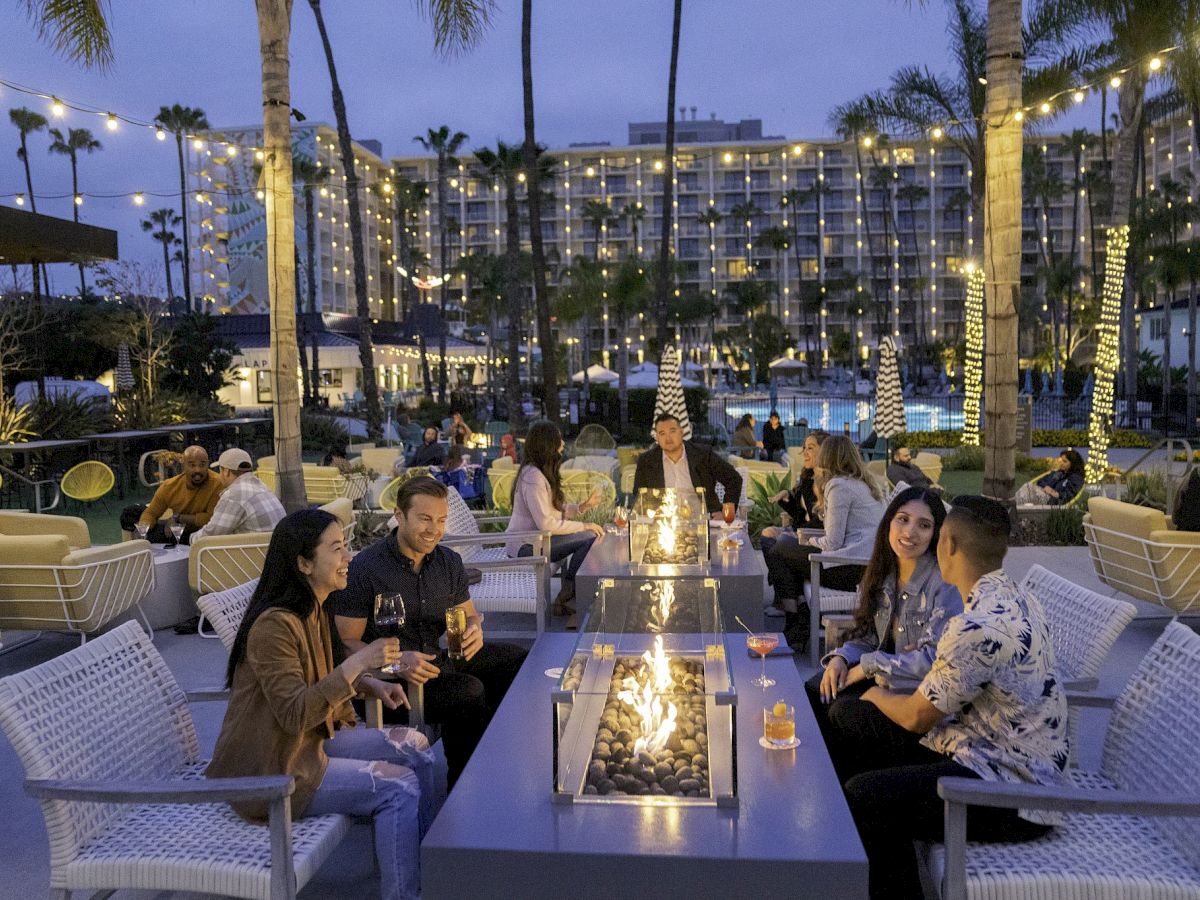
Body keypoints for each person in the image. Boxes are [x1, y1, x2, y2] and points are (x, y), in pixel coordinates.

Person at [831, 496, 1068, 900]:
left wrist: (872, 691)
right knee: (852, 722)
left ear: (949, 546)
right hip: (976, 744)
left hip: (1011, 790)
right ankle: (850, 865)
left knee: (865, 795)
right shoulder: (1016, 596)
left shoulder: (975, 626)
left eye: (934, 533)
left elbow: (914, 718)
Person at [207, 509, 435, 900]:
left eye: (346, 546)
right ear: (303, 562)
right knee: (398, 788)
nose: (349, 557)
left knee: (417, 745)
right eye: (337, 549)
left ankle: (427, 861)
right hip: (273, 769)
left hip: (310, 742)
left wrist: (368, 685)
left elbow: (317, 676)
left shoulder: (314, 606)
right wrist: (361, 662)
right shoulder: (274, 625)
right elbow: (295, 713)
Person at [331, 476, 528, 789]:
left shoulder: (448, 562)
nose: (434, 529)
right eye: (424, 519)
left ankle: (495, 756)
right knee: (469, 691)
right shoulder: (366, 569)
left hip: (440, 660)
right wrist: (396, 661)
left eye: (441, 520)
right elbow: (345, 644)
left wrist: (475, 629)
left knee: (517, 659)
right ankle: (463, 788)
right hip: (390, 683)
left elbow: (468, 616)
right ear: (399, 515)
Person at [804, 486, 962, 772]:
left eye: (923, 525)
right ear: (889, 521)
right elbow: (867, 636)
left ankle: (854, 784)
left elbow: (936, 661)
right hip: (887, 676)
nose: (910, 532)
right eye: (903, 519)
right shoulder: (882, 572)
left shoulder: (943, 585)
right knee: (816, 689)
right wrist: (841, 658)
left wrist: (868, 667)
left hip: (918, 699)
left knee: (842, 710)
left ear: (935, 533)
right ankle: (829, 780)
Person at [764, 435, 886, 650]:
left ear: (827, 457)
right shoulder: (858, 483)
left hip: (852, 570)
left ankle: (797, 622)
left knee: (779, 549)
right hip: (864, 564)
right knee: (782, 547)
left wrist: (806, 539)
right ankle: (800, 617)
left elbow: (832, 542)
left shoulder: (838, 486)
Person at [506, 420, 605, 623]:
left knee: (587, 536)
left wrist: (582, 507)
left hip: (538, 541)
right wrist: (585, 525)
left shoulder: (540, 472)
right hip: (526, 547)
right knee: (588, 537)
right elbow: (547, 524)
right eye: (558, 439)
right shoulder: (533, 477)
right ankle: (567, 598)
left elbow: (554, 511)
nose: (562, 442)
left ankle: (568, 597)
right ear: (547, 443)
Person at [633, 413, 743, 520]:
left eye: (672, 431)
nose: (668, 438)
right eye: (662, 433)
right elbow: (639, 496)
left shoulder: (703, 455)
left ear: (681, 432)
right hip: (664, 525)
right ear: (657, 437)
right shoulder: (647, 461)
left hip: (702, 521)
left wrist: (725, 511)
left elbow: (734, 479)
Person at [120, 445, 223, 544]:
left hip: (201, 533)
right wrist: (143, 530)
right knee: (130, 513)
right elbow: (151, 513)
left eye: (202, 464)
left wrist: (178, 518)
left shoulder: (218, 483)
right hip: (175, 528)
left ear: (207, 464)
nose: (197, 470)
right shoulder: (170, 486)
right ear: (183, 466)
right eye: (192, 465)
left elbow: (211, 519)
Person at [191, 448, 285, 540]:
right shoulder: (262, 486)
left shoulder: (234, 494)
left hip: (256, 554)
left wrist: (190, 539)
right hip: (274, 550)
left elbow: (211, 534)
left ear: (226, 472)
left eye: (220, 470)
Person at [1014, 448, 1084, 506]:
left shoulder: (1076, 478)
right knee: (1027, 491)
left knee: (1028, 488)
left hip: (1054, 502)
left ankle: (1010, 510)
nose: (1061, 463)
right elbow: (1040, 481)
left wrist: (1055, 493)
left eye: (1065, 461)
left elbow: (1070, 495)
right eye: (1061, 460)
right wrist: (1046, 487)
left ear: (1073, 464)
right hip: (1044, 495)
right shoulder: (1057, 473)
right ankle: (1014, 511)